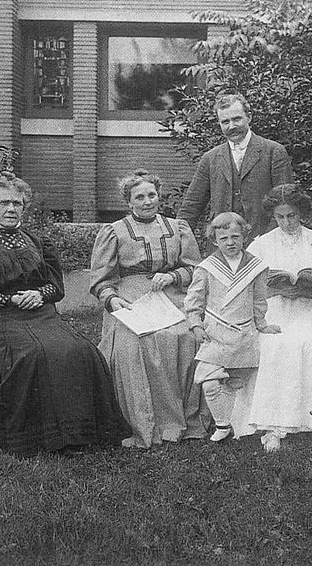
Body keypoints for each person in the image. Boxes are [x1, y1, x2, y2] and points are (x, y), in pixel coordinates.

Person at [0, 172, 131, 455]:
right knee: (34, 354)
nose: (11, 209)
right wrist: (13, 297)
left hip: (43, 315)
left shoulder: (38, 244)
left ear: (24, 207)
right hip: (5, 319)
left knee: (81, 350)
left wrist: (39, 294)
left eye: (17, 203)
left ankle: (81, 433)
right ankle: (41, 436)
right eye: (4, 203)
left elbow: (56, 288)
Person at [230, 184, 312, 452]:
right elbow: (249, 288)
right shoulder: (261, 245)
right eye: (280, 217)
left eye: (292, 216)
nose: (286, 222)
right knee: (275, 346)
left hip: (306, 311)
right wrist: (276, 288)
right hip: (273, 312)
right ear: (273, 216)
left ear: (301, 213)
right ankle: (272, 424)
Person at [90, 169, 207, 449]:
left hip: (171, 294)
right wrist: (112, 300)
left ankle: (183, 420)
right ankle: (143, 422)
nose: (147, 201)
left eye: (151, 195)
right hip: (129, 295)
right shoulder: (113, 231)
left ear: (159, 196)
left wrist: (174, 276)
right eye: (139, 197)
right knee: (135, 343)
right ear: (128, 202)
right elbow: (100, 279)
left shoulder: (178, 227)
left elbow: (196, 268)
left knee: (188, 336)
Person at [184, 212, 281, 443]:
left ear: (244, 237)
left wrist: (262, 324)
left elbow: (259, 300)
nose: (230, 243)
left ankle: (237, 422)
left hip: (243, 332)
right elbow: (194, 300)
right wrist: (196, 324)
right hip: (215, 333)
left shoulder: (255, 267)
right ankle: (222, 425)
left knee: (235, 381)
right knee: (209, 382)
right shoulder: (208, 267)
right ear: (215, 240)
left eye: (235, 237)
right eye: (224, 238)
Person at [177, 92, 293, 243]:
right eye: (225, 122)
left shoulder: (274, 151)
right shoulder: (210, 158)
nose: (231, 126)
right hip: (222, 245)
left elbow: (285, 202)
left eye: (236, 119)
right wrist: (177, 241)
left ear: (249, 117)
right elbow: (191, 206)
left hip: (265, 242)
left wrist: (267, 240)